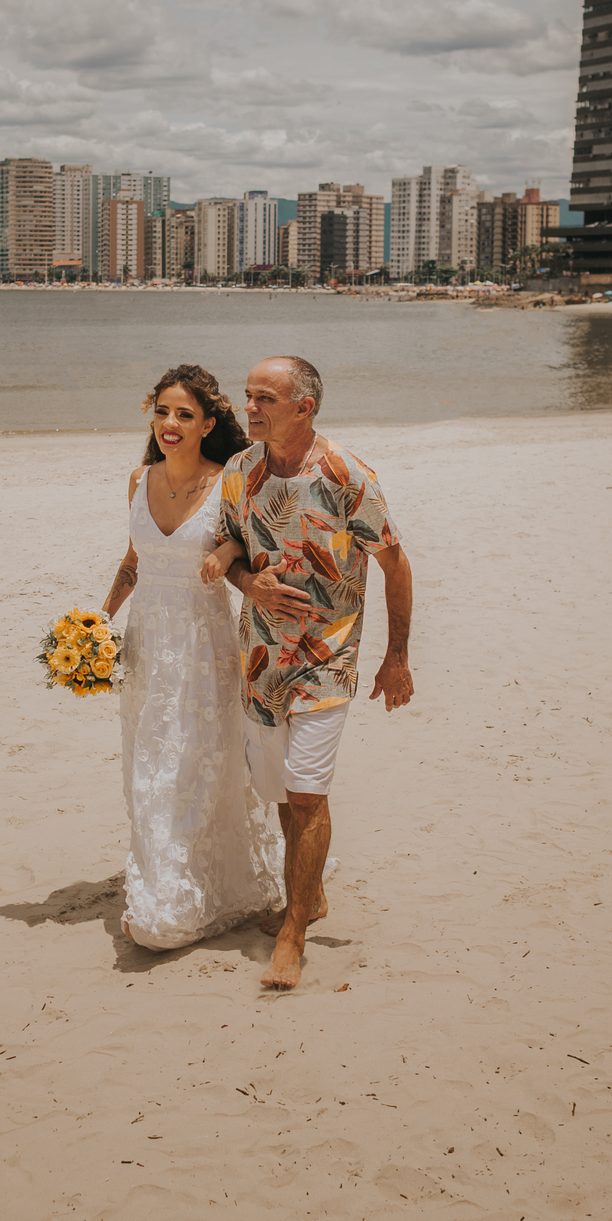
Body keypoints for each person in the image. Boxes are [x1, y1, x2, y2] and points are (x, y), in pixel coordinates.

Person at [211, 355, 413, 990]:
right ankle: (312, 895)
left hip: (328, 660)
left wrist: (397, 656)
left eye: (264, 398)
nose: (250, 409)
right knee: (281, 794)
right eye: (248, 397)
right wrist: (251, 584)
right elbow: (229, 551)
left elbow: (395, 565)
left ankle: (295, 930)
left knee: (307, 793)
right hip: (261, 658)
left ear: (305, 406)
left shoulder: (347, 474)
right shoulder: (241, 471)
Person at [102, 364, 282, 951]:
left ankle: (186, 892)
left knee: (196, 766)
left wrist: (227, 547)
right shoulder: (138, 479)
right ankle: (162, 882)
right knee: (149, 765)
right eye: (161, 411)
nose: (169, 424)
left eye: (184, 414)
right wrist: (96, 624)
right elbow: (132, 563)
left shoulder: (230, 478)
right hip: (146, 644)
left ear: (208, 424)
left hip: (205, 648)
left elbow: (250, 539)